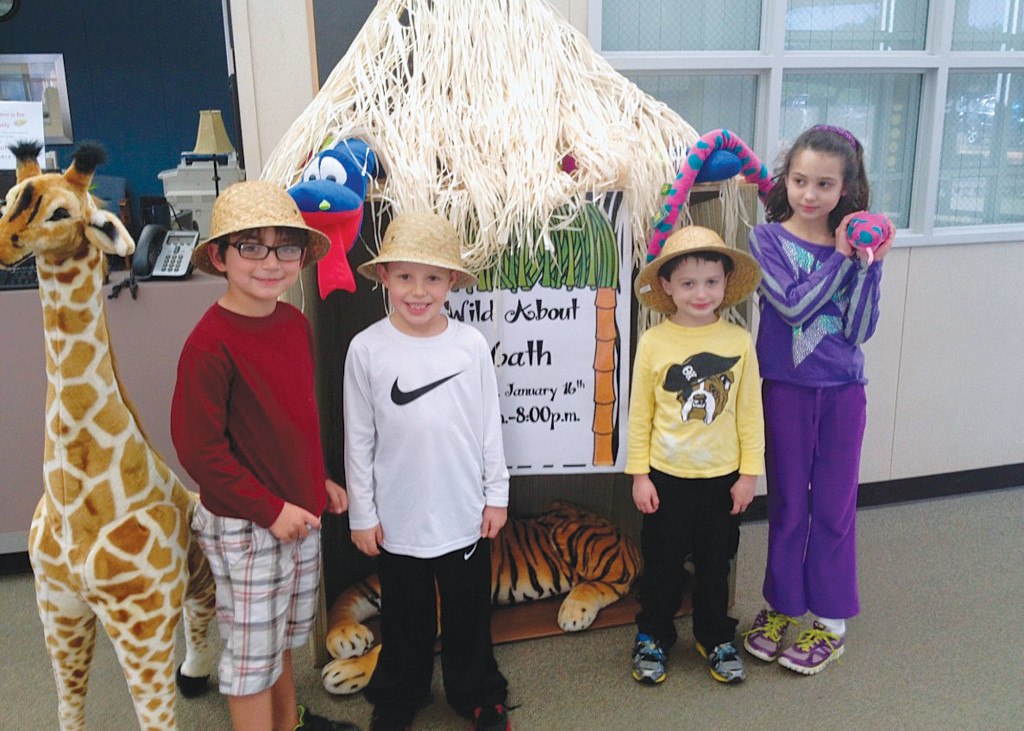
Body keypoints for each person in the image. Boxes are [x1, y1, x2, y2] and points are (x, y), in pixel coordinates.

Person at [171, 181, 356, 731]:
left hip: (296, 515)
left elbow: (292, 422)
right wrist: (270, 509)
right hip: (247, 525)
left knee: (278, 644)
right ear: (220, 257)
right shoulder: (209, 344)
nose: (270, 261)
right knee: (250, 662)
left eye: (285, 247)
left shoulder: (294, 325)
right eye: (252, 246)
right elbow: (200, 453)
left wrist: (315, 478)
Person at [343, 211, 511, 731]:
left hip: (462, 509)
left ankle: (477, 690)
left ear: (453, 282)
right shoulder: (366, 349)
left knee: (467, 613)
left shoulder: (470, 346)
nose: (419, 291)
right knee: (405, 614)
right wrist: (362, 515)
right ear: (386, 277)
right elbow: (359, 438)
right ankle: (399, 693)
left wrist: (496, 495)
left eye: (433, 277)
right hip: (398, 516)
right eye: (406, 276)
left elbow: (489, 426)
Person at [743, 125, 895, 675]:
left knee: (833, 507)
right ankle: (782, 606)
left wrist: (867, 264)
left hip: (843, 393)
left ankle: (830, 622)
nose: (810, 195)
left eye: (824, 184)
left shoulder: (857, 245)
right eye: (800, 180)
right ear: (786, 179)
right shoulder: (766, 240)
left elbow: (856, 331)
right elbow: (792, 307)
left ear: (846, 190)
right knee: (787, 505)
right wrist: (839, 256)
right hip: (785, 389)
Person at [626, 225, 764, 686]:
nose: (700, 293)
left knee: (714, 563)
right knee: (662, 563)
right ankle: (654, 635)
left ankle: (714, 634)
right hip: (665, 477)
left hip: (722, 480)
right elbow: (639, 413)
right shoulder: (655, 343)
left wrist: (749, 475)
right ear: (667, 286)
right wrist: (639, 474)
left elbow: (749, 414)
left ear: (726, 283)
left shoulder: (739, 343)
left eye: (710, 282)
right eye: (687, 283)